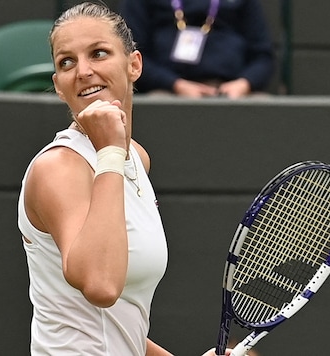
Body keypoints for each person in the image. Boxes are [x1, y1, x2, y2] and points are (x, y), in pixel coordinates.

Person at [18, 2, 231, 355]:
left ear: (134, 65)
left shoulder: (135, 158)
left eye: (98, 53)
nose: (83, 71)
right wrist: (110, 151)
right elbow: (101, 286)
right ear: (58, 85)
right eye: (66, 62)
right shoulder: (58, 168)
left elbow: (116, 324)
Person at [119, 0, 275, 98]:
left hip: (231, 91)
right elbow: (132, 56)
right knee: (156, 104)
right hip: (168, 91)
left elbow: (262, 56)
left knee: (263, 106)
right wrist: (176, 85)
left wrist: (243, 84)